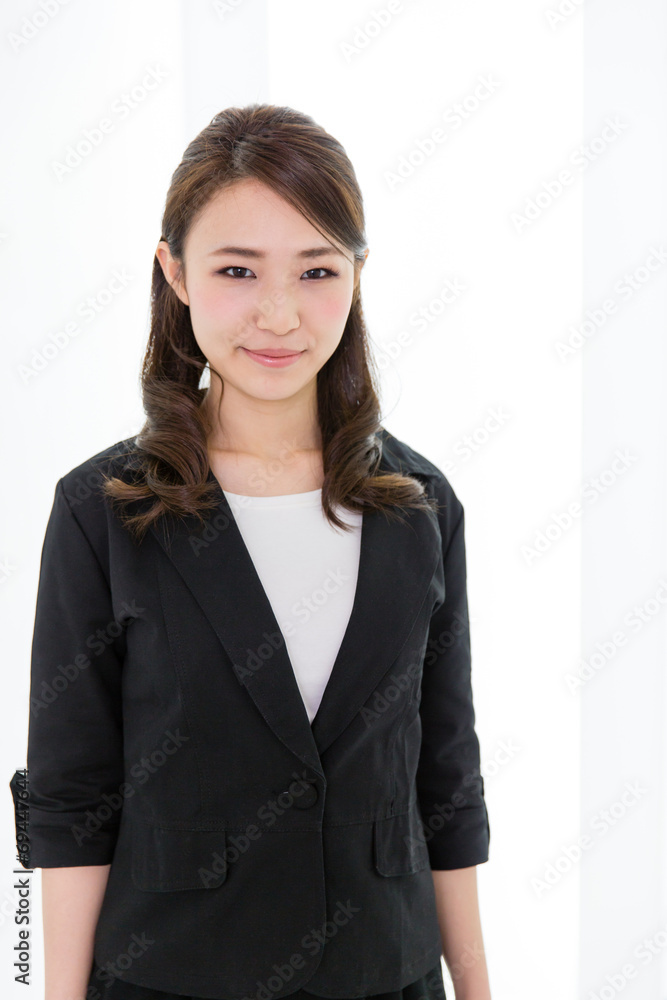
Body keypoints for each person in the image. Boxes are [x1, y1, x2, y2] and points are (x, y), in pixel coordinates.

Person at [9, 104, 492, 1000]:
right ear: (175, 273)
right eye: (237, 269)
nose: (279, 313)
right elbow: (71, 801)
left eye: (317, 270)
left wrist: (476, 989)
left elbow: (447, 785)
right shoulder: (101, 511)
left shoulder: (421, 506)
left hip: (384, 977)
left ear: (356, 275)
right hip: (169, 979)